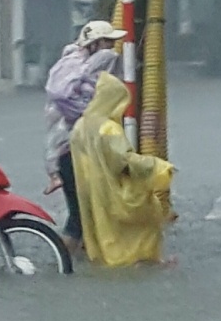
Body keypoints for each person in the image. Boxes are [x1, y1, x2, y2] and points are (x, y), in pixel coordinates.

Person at [69, 73, 177, 268]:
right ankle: (143, 262)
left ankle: (107, 260)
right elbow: (124, 160)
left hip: (90, 189)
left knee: (103, 229)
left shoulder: (80, 125)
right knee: (147, 219)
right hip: (114, 188)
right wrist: (158, 167)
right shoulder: (108, 128)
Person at [42, 20, 125, 251]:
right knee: (79, 215)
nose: (111, 48)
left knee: (90, 211)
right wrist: (88, 116)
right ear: (95, 43)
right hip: (68, 149)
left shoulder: (90, 67)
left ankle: (83, 259)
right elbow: (60, 95)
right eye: (108, 42)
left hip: (81, 147)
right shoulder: (74, 65)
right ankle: (63, 262)